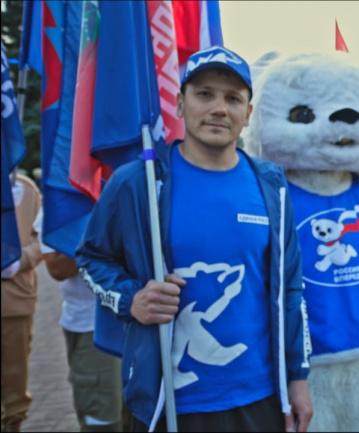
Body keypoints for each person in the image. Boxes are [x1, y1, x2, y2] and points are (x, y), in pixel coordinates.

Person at [76, 46, 312, 432]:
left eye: (233, 98)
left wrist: (297, 379)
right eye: (204, 94)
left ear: (247, 113)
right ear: (179, 103)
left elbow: (291, 289)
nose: (219, 108)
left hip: (260, 398)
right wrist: (132, 299)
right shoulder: (140, 183)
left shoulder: (271, 186)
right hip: (168, 403)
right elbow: (91, 259)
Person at [41, 246, 122, 432]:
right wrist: (93, 233)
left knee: (138, 413)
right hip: (91, 326)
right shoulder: (64, 223)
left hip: (139, 322)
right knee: (102, 417)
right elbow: (58, 269)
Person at [1, 174, 42, 432]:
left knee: (15, 377)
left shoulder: (26, 189)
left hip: (15, 299)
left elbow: (44, 238)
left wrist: (20, 259)